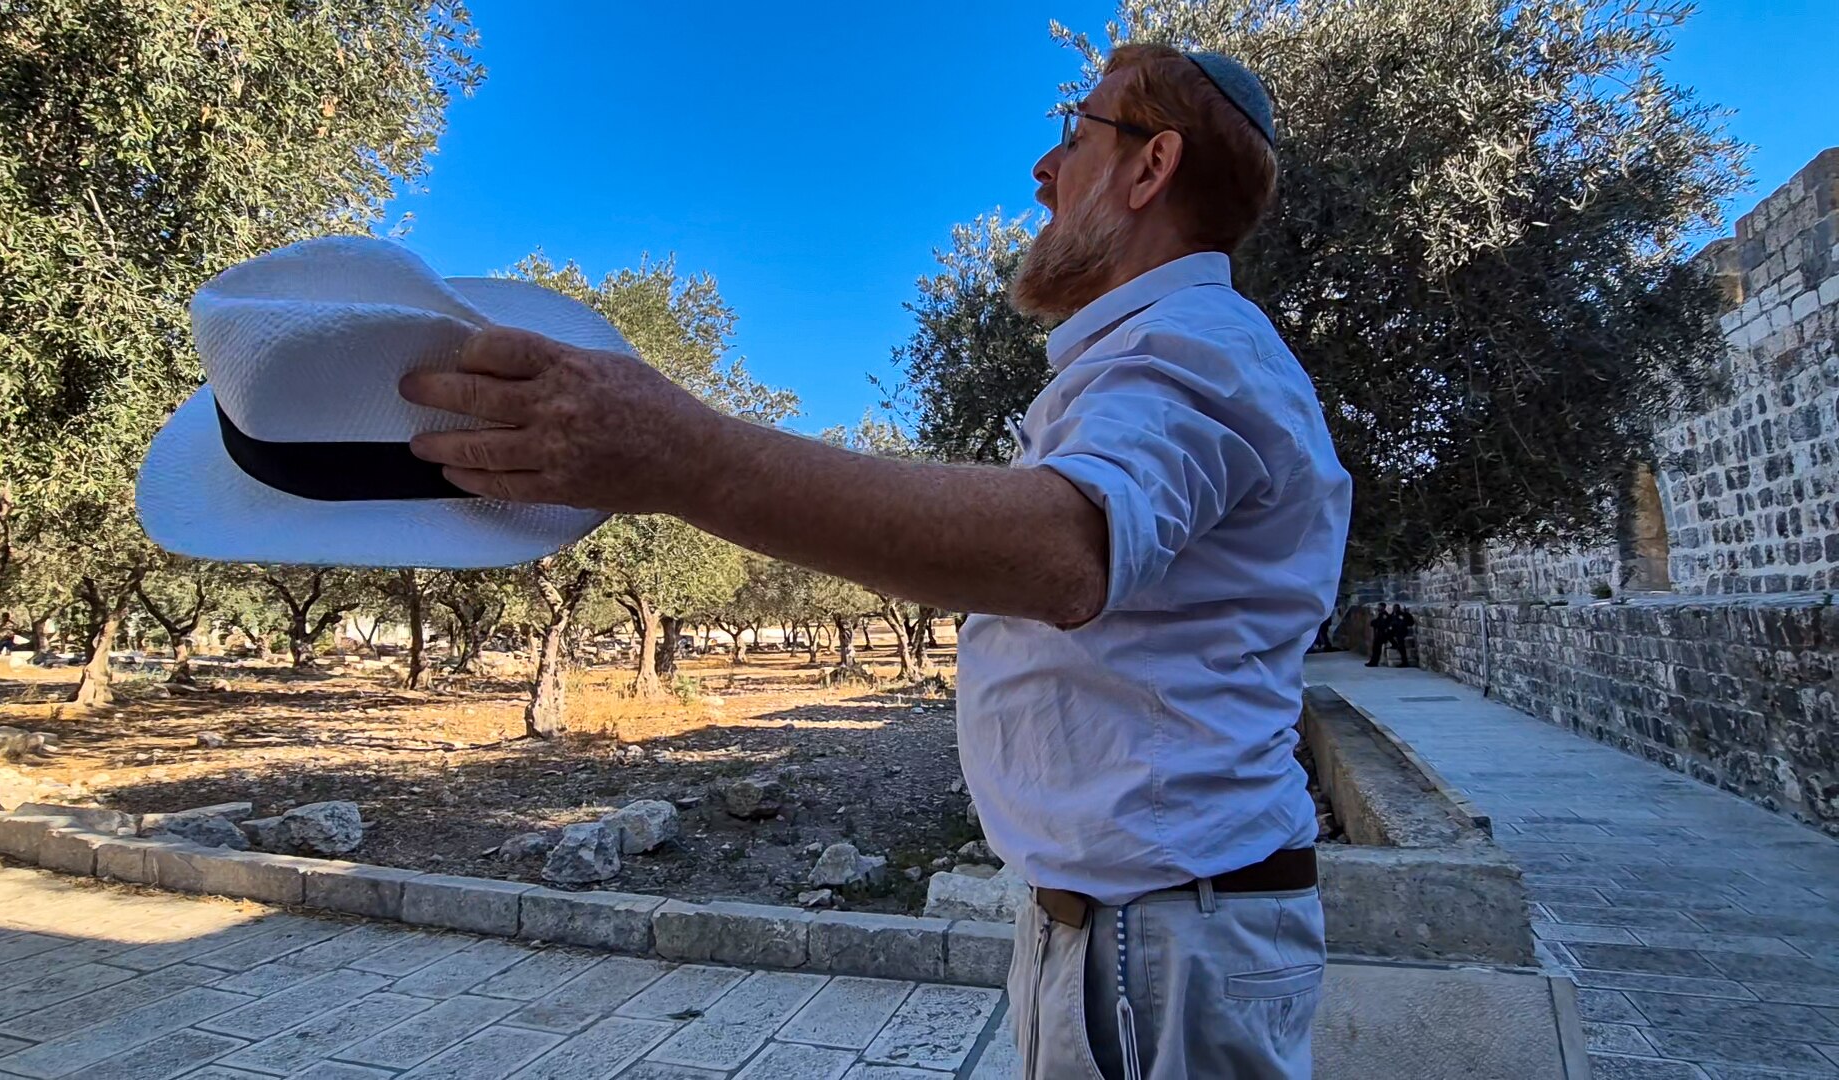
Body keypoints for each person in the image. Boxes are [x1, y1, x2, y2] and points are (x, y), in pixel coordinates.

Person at [400, 43, 1349, 1080]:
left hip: (1161, 944)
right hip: (1123, 935)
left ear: (1149, 166)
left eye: (1074, 134)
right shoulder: (1147, 358)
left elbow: (1063, 549)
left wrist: (683, 456)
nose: (1043, 169)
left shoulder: (1199, 345)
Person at [1366, 602, 1392, 667]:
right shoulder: (1380, 614)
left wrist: (1375, 623)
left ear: (1383, 607)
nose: (1378, 608)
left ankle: (1374, 662)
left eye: (1379, 607)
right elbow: (1376, 621)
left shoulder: (1384, 615)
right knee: (1375, 648)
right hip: (1378, 634)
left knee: (1377, 649)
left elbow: (1382, 624)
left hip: (1381, 635)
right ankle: (1373, 661)